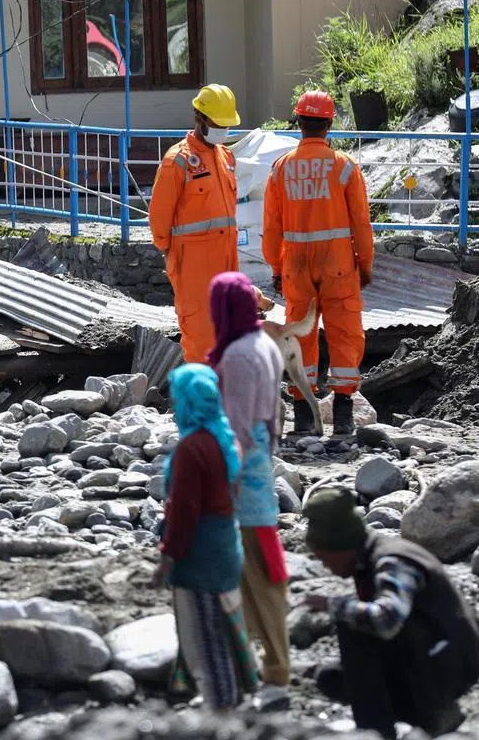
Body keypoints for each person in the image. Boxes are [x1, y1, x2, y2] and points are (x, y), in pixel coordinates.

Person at [302, 487, 479, 739]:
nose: (324, 565)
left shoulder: (392, 561)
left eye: (323, 557)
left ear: (340, 546)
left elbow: (386, 620)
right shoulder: (366, 559)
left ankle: (382, 730)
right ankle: (423, 716)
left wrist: (332, 605)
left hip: (449, 664)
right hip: (427, 654)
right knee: (333, 678)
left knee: (351, 626)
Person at [262, 89, 373, 436]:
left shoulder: (281, 170)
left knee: (300, 335)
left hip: (296, 266)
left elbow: (271, 229)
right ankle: (342, 416)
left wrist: (277, 269)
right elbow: (361, 224)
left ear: (299, 124)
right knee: (344, 333)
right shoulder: (344, 167)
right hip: (339, 266)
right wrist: (364, 266)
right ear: (328, 124)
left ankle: (305, 418)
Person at [152, 363, 259, 711]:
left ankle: (221, 711)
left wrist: (168, 557)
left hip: (199, 555)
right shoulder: (225, 440)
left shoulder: (190, 450)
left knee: (204, 634)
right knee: (226, 625)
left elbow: (184, 511)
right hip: (227, 545)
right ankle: (237, 694)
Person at [207, 271, 291, 712]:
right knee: (259, 577)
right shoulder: (264, 345)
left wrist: (223, 488)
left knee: (260, 582)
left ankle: (275, 674)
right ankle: (257, 670)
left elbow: (236, 429)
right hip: (261, 474)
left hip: (244, 488)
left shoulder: (237, 356)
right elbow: (272, 418)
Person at [149, 83, 241, 363]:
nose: (223, 130)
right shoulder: (177, 161)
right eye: (218, 124)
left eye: (227, 125)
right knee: (201, 341)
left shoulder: (225, 157)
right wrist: (175, 256)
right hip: (194, 270)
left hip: (226, 265)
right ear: (200, 118)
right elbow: (159, 218)